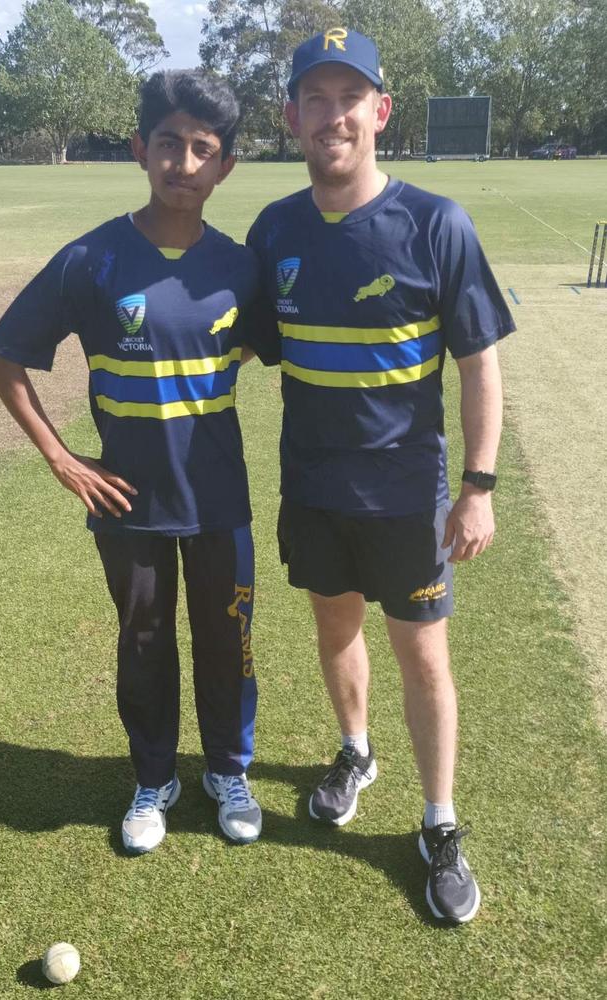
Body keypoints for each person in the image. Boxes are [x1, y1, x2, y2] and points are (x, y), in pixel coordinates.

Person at [247, 29, 516, 923]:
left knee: (424, 657)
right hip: (312, 491)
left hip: (406, 498)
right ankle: (355, 751)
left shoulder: (437, 223)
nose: (333, 116)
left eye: (349, 98)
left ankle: (439, 824)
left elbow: (479, 364)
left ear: (380, 112)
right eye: (314, 100)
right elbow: (254, 341)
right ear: (292, 118)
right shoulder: (274, 228)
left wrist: (477, 487)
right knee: (334, 632)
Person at [0, 70, 277, 855]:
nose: (185, 162)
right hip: (127, 500)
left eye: (203, 149)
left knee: (228, 635)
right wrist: (60, 457)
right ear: (141, 150)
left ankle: (227, 770)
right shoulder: (92, 260)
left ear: (225, 167)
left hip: (220, 497)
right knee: (144, 636)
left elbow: (271, 345)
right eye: (170, 144)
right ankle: (153, 777)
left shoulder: (241, 267)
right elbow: (4, 353)